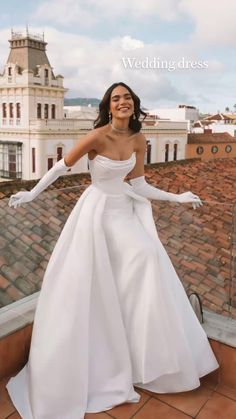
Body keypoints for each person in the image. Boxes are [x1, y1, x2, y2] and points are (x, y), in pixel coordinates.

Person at [6, 82, 219, 419]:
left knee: (146, 260)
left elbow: (139, 185)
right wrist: (33, 193)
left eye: (127, 98)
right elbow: (61, 166)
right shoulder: (97, 136)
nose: (123, 102)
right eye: (116, 98)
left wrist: (177, 197)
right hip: (96, 214)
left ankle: (140, 359)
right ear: (108, 106)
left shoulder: (138, 139)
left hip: (123, 211)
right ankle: (108, 360)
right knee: (102, 280)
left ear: (134, 104)